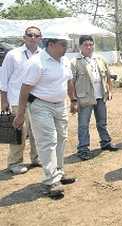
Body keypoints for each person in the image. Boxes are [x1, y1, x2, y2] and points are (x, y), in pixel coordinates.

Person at [13, 32, 77, 199]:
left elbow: (69, 81)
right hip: (40, 105)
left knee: (62, 138)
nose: (66, 47)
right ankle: (51, 180)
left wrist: (73, 99)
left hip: (60, 104)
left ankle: (59, 172)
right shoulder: (37, 62)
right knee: (48, 141)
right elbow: (25, 89)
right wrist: (20, 114)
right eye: (63, 44)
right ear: (51, 44)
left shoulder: (64, 61)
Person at [0, 26, 42, 174]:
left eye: (36, 35)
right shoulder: (13, 54)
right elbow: (3, 78)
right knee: (19, 131)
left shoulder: (43, 55)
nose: (33, 38)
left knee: (37, 130)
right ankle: (14, 162)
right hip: (17, 99)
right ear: (24, 37)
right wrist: (3, 100)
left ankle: (37, 158)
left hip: (37, 100)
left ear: (40, 38)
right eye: (30, 35)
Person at [71, 35, 118, 161]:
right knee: (83, 125)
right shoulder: (75, 62)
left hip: (100, 96)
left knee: (102, 122)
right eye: (86, 44)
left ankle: (106, 142)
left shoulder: (100, 59)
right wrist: (73, 100)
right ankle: (83, 149)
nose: (89, 47)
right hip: (84, 98)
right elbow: (71, 83)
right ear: (80, 46)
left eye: (91, 44)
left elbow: (107, 76)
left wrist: (110, 91)